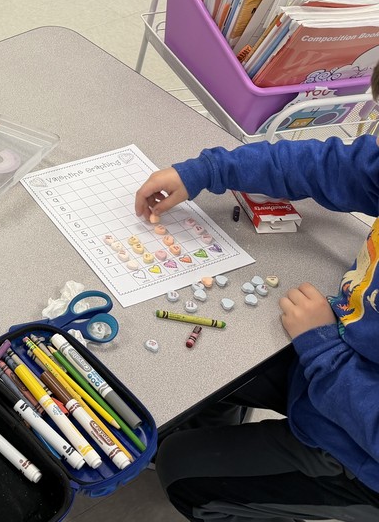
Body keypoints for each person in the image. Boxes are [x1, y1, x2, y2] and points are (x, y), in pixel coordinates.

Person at [134, 77, 379, 520]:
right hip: (340, 358)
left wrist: (322, 347)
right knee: (220, 365)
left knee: (182, 468)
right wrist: (207, 172)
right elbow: (325, 166)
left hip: (361, 453)